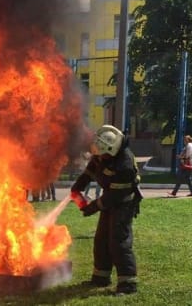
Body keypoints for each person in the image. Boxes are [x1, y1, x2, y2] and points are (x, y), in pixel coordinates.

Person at [70, 125, 141, 295]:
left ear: (112, 148)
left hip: (123, 203)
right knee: (101, 239)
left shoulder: (124, 164)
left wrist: (92, 207)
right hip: (110, 199)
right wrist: (77, 187)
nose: (100, 157)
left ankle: (127, 283)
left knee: (119, 242)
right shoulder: (104, 153)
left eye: (103, 154)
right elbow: (91, 171)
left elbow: (115, 196)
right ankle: (101, 277)